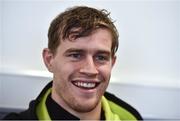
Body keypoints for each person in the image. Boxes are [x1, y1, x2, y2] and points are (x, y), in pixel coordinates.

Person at [2, 6, 143, 120]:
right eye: (76, 55)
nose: (90, 70)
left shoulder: (130, 117)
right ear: (49, 60)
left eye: (101, 57)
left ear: (112, 63)